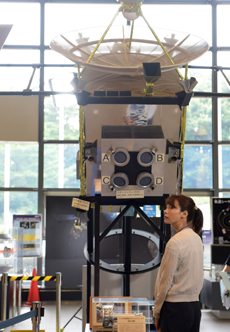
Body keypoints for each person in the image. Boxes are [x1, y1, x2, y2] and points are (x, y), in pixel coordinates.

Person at [153, 194, 204, 332]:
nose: (165, 210)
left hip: (174, 309)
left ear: (184, 214)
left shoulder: (175, 242)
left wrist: (156, 311)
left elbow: (165, 280)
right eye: (166, 207)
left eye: (171, 207)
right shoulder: (196, 239)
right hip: (194, 307)